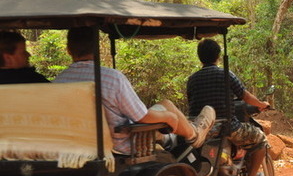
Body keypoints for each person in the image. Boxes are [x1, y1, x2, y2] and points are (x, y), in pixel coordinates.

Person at [54, 27, 215, 155]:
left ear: (68, 49)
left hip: (79, 147)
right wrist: (169, 116)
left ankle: (175, 136)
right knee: (167, 107)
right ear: (98, 48)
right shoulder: (112, 78)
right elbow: (142, 116)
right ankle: (194, 136)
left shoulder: (57, 82)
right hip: (121, 147)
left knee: (165, 107)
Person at [186, 38, 273, 176]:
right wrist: (261, 104)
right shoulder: (226, 74)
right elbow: (244, 95)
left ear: (200, 57)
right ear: (218, 56)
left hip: (199, 130)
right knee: (260, 138)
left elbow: (192, 102)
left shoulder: (192, 79)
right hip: (225, 127)